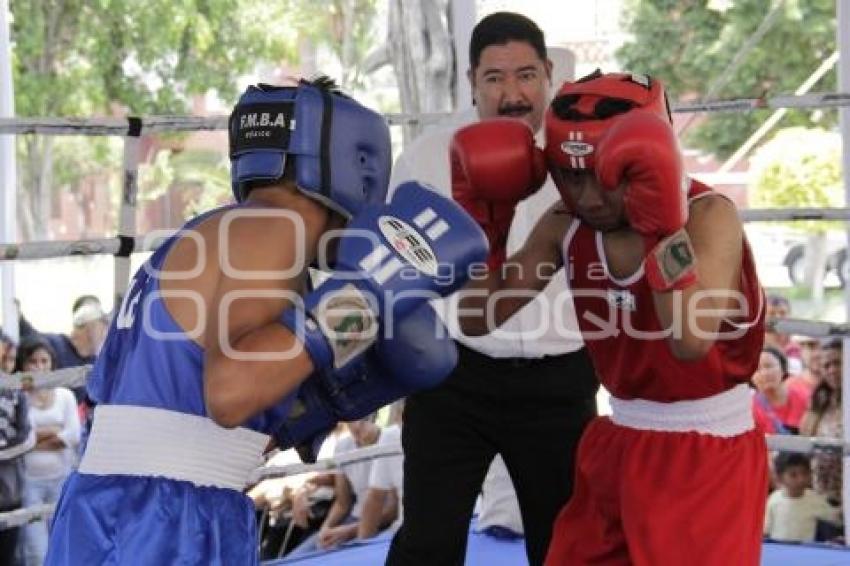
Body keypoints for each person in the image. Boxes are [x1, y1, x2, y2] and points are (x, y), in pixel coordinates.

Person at [45, 77, 487, 566]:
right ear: (357, 166)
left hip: (127, 506)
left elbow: (180, 415)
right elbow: (231, 393)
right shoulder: (274, 228)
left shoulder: (219, 233)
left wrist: (319, 402)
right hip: (160, 515)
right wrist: (365, 296)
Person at [455, 70, 767, 565]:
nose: (590, 198)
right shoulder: (565, 223)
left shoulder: (708, 217)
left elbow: (689, 341)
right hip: (616, 443)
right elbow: (478, 317)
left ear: (652, 162)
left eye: (608, 177)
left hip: (705, 457)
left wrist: (661, 226)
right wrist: (486, 225)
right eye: (572, 176)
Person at [387, 13, 598, 566]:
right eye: (495, 78)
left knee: (565, 546)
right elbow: (395, 268)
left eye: (526, 75)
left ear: (549, 73)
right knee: (427, 540)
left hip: (562, 377)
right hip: (455, 373)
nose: (512, 94)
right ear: (471, 82)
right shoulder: (428, 158)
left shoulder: (585, 155)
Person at [14, 337, 81, 566]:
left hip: (61, 481)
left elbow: (73, 435)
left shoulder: (65, 396)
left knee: (62, 543)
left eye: (45, 361)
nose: (40, 367)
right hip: (29, 483)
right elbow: (21, 440)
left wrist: (34, 440)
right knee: (35, 551)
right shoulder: (17, 397)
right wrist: (53, 431)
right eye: (33, 361)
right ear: (23, 365)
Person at [0, 336, 33, 565]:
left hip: (8, 492)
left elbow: (27, 438)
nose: (5, 365)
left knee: (8, 556)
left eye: (10, 359)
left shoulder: (17, 395)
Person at [800, 339, 843, 505]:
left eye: (838, 363)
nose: (832, 370)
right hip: (820, 501)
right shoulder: (819, 403)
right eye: (827, 365)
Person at [764, 452, 839, 542]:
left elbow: (835, 518)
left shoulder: (814, 499)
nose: (801, 479)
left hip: (805, 551)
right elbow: (766, 530)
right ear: (780, 478)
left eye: (804, 473)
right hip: (779, 550)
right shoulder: (773, 500)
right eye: (793, 475)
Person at [751, 346, 809, 434]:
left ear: (783, 368)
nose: (764, 373)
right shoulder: (749, 410)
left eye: (769, 366)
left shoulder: (805, 398)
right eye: (757, 369)